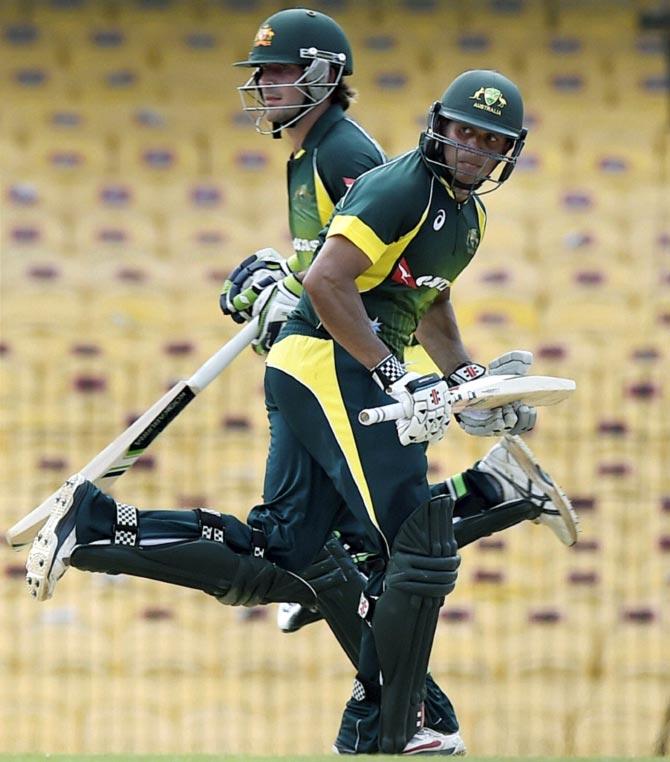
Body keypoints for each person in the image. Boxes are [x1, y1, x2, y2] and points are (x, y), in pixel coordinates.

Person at [25, 14, 577, 759]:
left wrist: (461, 376)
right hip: (330, 365)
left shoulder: (408, 186)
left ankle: (93, 527)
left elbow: (411, 290)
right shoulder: (365, 168)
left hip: (337, 361)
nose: (264, 85)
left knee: (294, 555)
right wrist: (355, 343)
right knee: (408, 547)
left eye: (490, 142)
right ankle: (397, 719)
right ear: (438, 126)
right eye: (463, 133)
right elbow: (331, 275)